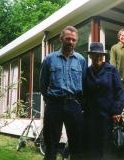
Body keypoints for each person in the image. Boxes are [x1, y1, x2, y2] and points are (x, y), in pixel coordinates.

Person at [39, 26, 87, 159]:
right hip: (54, 105)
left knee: (77, 144)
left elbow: (83, 84)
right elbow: (43, 84)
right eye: (68, 39)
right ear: (61, 39)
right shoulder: (49, 59)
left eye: (73, 40)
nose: (71, 42)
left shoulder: (81, 60)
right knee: (51, 145)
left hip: (74, 105)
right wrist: (48, 99)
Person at [84, 42, 124, 159]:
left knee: (107, 146)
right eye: (95, 55)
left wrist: (117, 110)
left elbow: (119, 92)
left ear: (103, 56)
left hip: (108, 116)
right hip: (91, 116)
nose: (98, 57)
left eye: (100, 55)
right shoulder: (87, 71)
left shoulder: (111, 70)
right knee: (92, 146)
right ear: (90, 56)